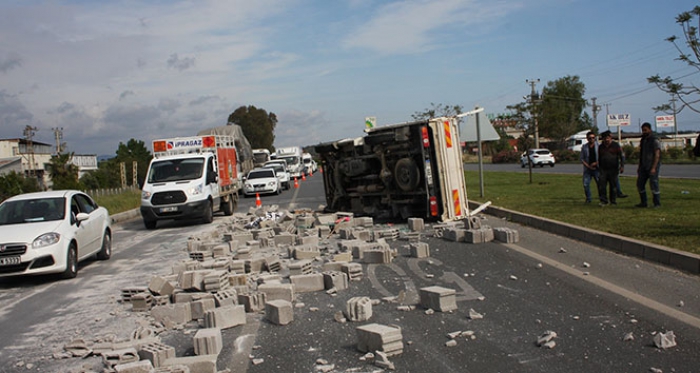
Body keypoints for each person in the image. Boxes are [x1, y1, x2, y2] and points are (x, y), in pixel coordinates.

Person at [636, 122, 661, 208]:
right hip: (644, 166)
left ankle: (657, 203)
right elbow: (641, 154)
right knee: (640, 184)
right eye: (643, 130)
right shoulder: (643, 140)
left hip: (652, 165)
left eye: (645, 130)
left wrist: (654, 167)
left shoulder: (654, 140)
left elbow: (657, 155)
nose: (644, 132)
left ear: (650, 130)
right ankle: (643, 202)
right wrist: (639, 166)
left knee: (653, 184)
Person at [597, 131, 624, 206]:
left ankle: (613, 201)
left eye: (608, 138)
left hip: (613, 169)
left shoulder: (615, 145)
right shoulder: (601, 147)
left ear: (610, 138)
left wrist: (622, 166)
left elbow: (621, 156)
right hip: (603, 169)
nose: (606, 140)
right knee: (602, 185)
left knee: (613, 186)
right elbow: (599, 157)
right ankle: (603, 200)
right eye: (605, 138)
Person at [579, 131, 599, 204]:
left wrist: (596, 163)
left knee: (599, 184)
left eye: (593, 138)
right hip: (588, 169)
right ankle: (588, 199)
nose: (592, 139)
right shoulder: (584, 147)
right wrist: (588, 166)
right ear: (587, 139)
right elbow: (581, 158)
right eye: (590, 138)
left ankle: (602, 198)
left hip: (597, 168)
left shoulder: (598, 146)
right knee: (586, 184)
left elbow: (602, 157)